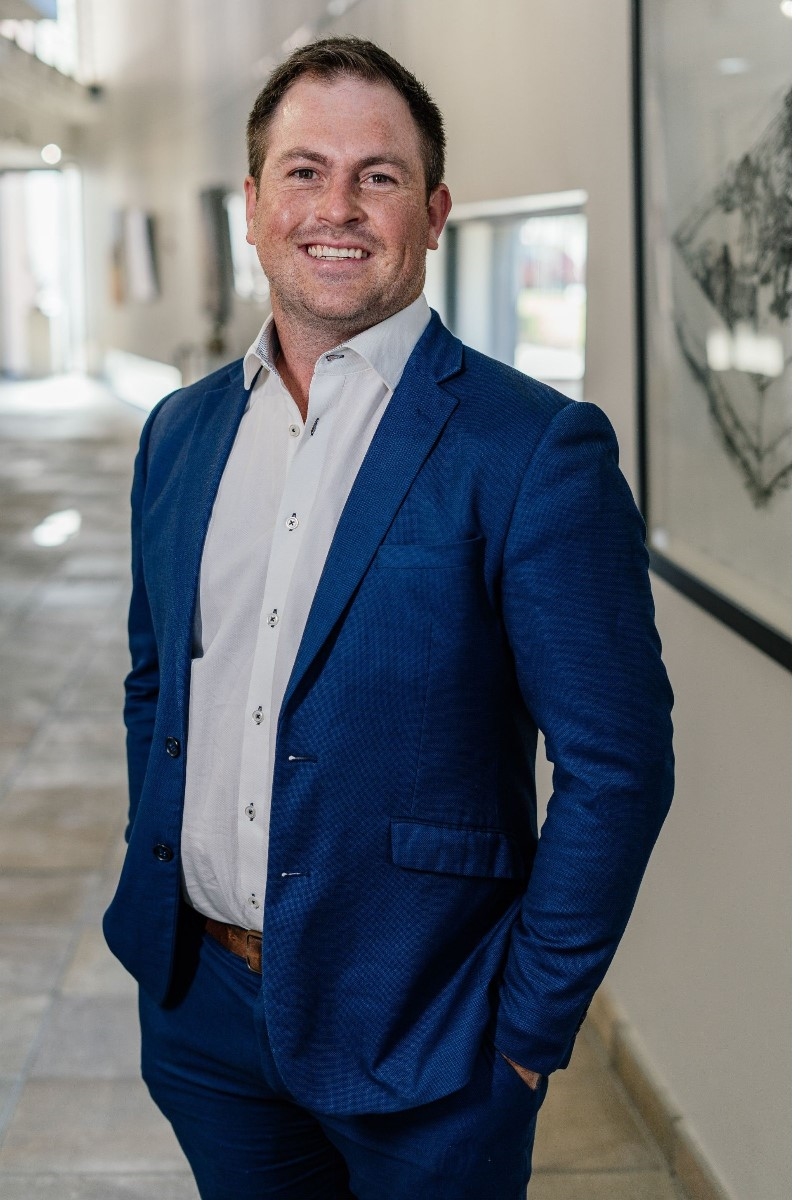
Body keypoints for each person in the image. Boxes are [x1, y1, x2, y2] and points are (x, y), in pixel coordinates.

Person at [104, 35, 674, 1200]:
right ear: (253, 206)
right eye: (304, 172)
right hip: (203, 1013)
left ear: (433, 212)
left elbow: (616, 768)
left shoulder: (533, 451)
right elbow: (156, 681)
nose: (338, 208)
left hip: (431, 1032)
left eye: (379, 175)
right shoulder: (181, 432)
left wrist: (524, 1031)